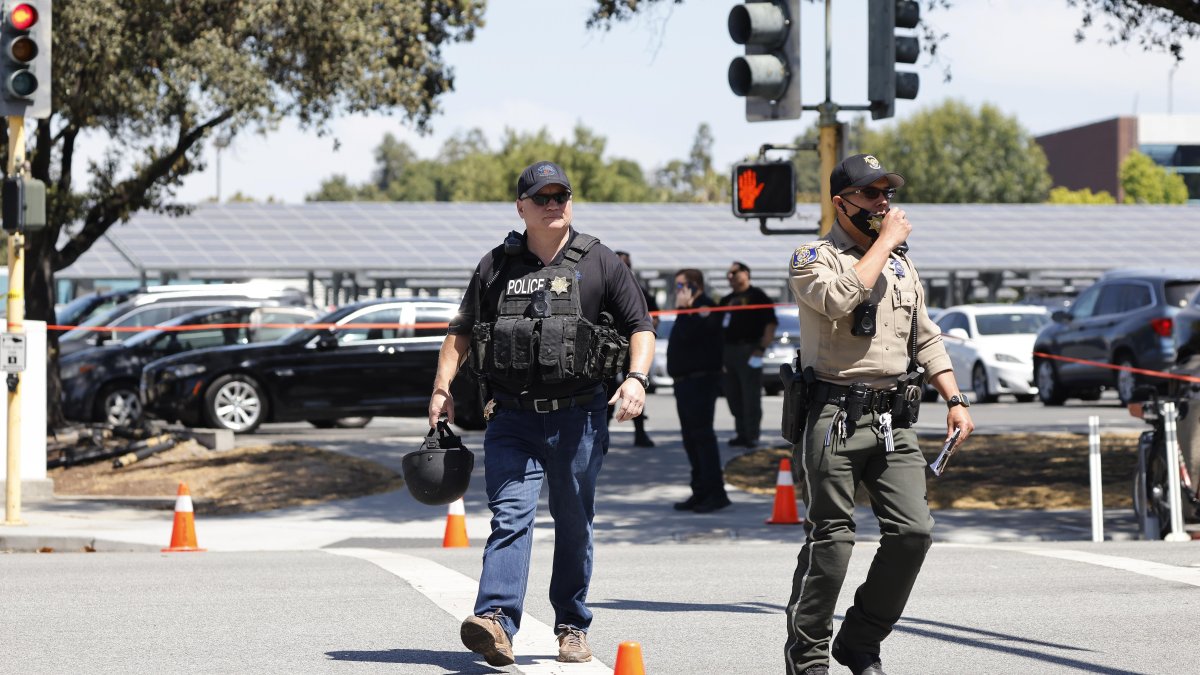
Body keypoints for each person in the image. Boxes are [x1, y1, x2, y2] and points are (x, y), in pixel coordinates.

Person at [428, 160, 655, 668]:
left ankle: (571, 625)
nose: (554, 205)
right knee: (510, 516)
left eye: (562, 196)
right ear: (521, 206)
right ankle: (495, 622)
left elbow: (641, 325)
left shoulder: (599, 261)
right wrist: (442, 389)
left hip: (579, 417)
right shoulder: (495, 266)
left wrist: (636, 379)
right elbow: (459, 334)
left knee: (574, 522)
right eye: (543, 197)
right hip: (511, 417)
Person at [783, 153, 975, 675]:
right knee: (832, 541)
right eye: (871, 195)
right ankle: (808, 657)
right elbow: (837, 301)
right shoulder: (812, 256)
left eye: (887, 193)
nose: (884, 204)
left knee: (914, 532)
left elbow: (925, 334)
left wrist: (955, 399)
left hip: (894, 417)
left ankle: (860, 639)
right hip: (834, 413)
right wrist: (885, 242)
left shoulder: (900, 262)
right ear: (841, 203)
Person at [666, 268, 729, 512]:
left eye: (681, 286)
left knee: (702, 438)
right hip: (685, 382)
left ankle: (715, 493)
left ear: (694, 286)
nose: (678, 291)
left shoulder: (704, 308)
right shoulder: (691, 310)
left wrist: (684, 309)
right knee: (691, 440)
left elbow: (689, 335)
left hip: (700, 381)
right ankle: (700, 490)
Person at [719, 261, 777, 449]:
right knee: (732, 394)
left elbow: (770, 325)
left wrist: (761, 349)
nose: (730, 277)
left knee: (750, 395)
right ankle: (741, 433)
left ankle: (751, 434)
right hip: (729, 351)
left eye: (734, 273)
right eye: (728, 274)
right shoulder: (726, 300)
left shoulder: (757, 297)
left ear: (745, 274)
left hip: (750, 349)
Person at [608, 250, 659, 448]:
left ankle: (640, 433)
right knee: (608, 390)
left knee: (635, 386)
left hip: (632, 346)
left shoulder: (639, 290)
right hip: (610, 346)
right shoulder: (606, 285)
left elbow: (652, 319)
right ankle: (602, 432)